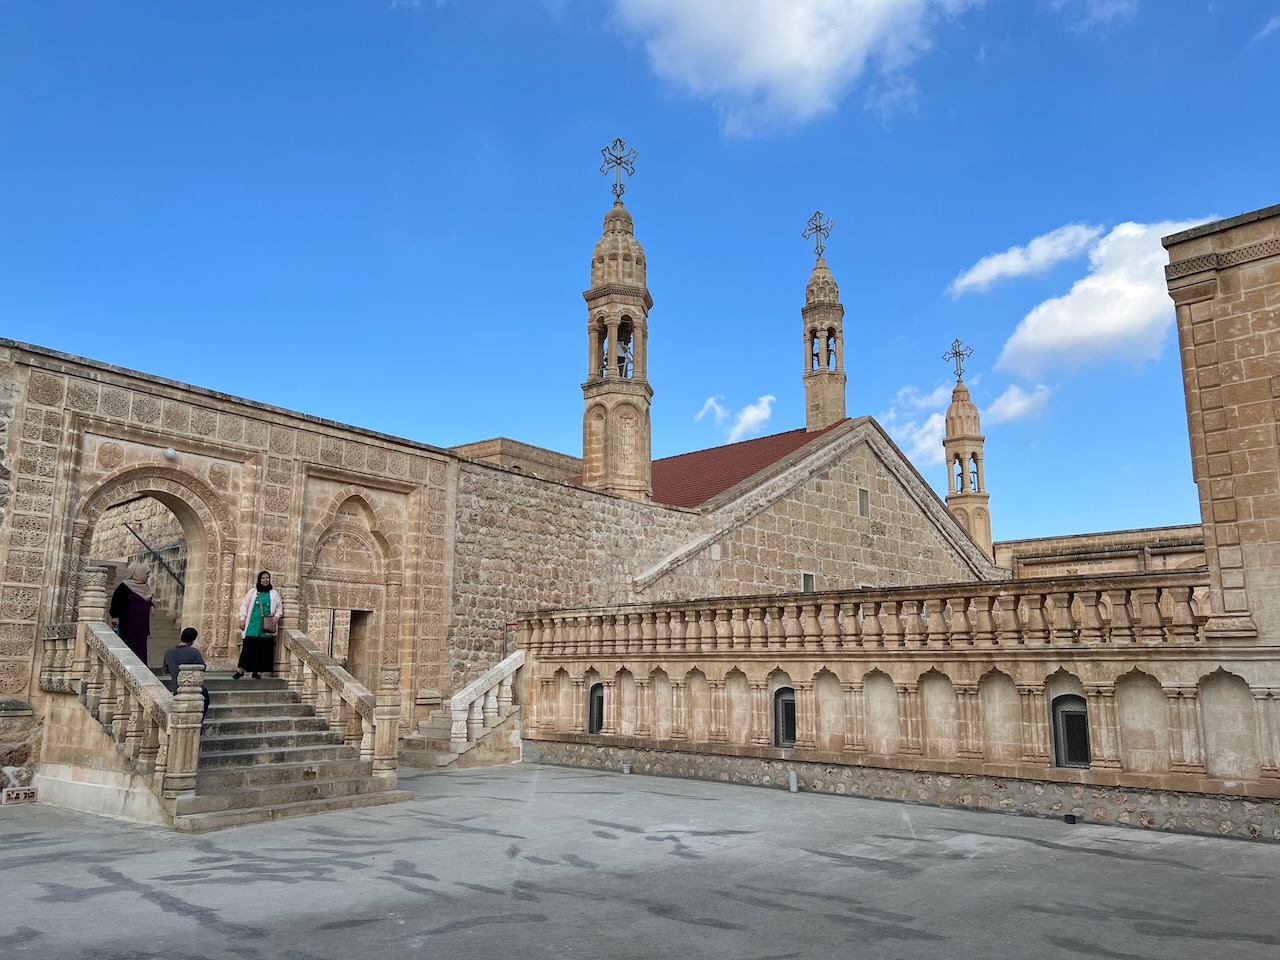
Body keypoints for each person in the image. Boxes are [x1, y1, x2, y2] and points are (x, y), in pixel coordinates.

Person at [234, 570, 282, 679]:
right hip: (253, 624)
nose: (265, 580)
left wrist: (276, 616)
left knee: (261, 649)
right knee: (248, 647)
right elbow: (244, 606)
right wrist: (242, 619)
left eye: (267, 578)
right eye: (263, 578)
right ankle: (241, 670)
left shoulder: (274, 593)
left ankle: (255, 671)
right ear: (259, 579)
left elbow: (279, 607)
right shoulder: (253, 592)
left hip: (266, 625)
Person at [109, 562, 154, 663]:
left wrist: (151, 605)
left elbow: (147, 599)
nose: (148, 575)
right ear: (138, 573)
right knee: (129, 642)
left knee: (140, 645)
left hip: (142, 623)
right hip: (129, 621)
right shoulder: (124, 587)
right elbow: (116, 602)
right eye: (146, 573)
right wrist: (115, 616)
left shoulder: (145, 587)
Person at [163, 627, 209, 720]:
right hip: (195, 688)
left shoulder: (169, 652)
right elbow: (202, 668)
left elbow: (165, 670)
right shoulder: (193, 652)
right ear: (193, 640)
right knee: (206, 700)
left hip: (176, 687)